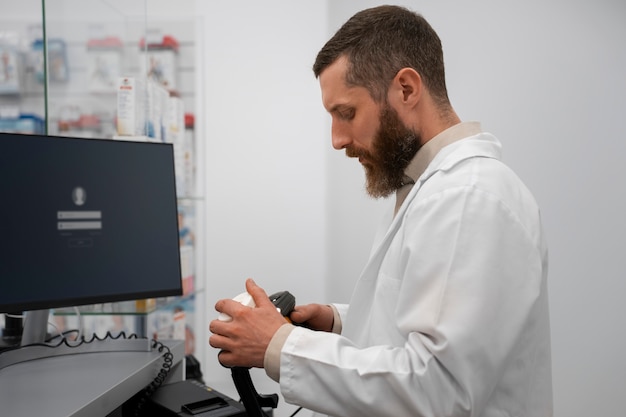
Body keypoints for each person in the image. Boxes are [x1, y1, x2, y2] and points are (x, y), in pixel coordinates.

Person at [209, 5, 552, 417]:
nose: (336, 139)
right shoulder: (429, 188)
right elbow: (425, 324)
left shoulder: (468, 198)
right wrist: (338, 322)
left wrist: (279, 346)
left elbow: (439, 390)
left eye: (346, 113)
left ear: (406, 89)